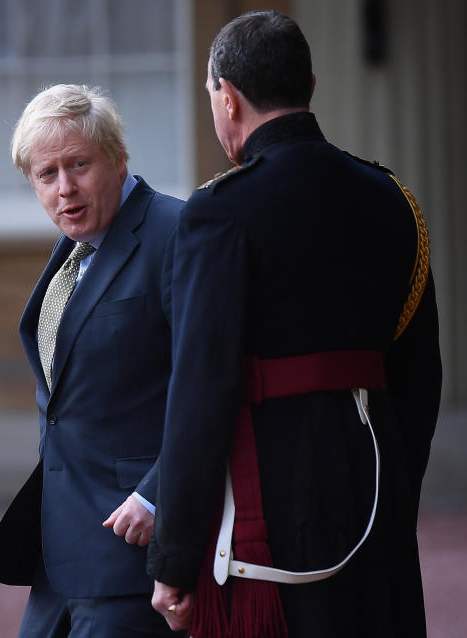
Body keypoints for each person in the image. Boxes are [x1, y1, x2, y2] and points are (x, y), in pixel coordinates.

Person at [147, 10, 442, 638]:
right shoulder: (393, 197)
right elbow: (420, 375)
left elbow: (200, 394)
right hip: (376, 478)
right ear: (309, 86)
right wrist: (394, 492)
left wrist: (174, 558)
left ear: (226, 97)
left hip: (274, 503)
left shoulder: (218, 212)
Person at [0, 84, 185, 637]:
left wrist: (157, 494)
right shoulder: (75, 249)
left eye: (79, 165)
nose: (65, 188)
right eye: (46, 175)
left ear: (118, 160)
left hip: (133, 549)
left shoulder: (177, 233)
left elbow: (215, 382)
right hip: (59, 554)